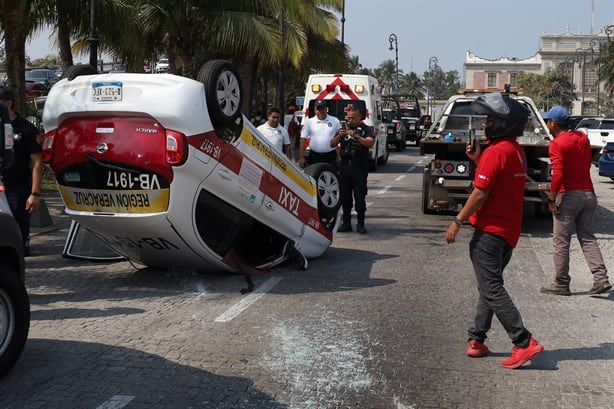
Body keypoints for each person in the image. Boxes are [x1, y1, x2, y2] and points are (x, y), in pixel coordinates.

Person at [445, 92, 543, 369]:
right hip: (508, 232)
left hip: (488, 233)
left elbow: (480, 193)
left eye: (489, 119)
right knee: (488, 287)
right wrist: (479, 160)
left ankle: (523, 341)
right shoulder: (516, 152)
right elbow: (499, 183)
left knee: (491, 287)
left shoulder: (496, 152)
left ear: (502, 124)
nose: (485, 124)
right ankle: (476, 340)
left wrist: (458, 220)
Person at [539, 106, 611, 296]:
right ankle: (601, 278)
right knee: (587, 237)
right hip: (588, 194)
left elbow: (559, 174)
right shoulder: (582, 138)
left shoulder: (557, 144)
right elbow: (585, 163)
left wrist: (552, 198)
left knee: (561, 241)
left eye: (548, 121)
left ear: (553, 123)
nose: (547, 123)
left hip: (569, 195)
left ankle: (561, 283)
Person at [0, 89, 43, 256]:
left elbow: (37, 162)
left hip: (17, 188)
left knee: (19, 240)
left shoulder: (26, 129)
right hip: (1, 185)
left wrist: (35, 193)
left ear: (8, 103)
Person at [329, 107, 374, 234]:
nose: (350, 120)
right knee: (345, 198)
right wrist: (340, 135)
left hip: (359, 168)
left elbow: (370, 143)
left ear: (360, 118)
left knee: (360, 198)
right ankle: (346, 223)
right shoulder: (343, 129)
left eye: (352, 118)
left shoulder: (366, 129)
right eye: (348, 118)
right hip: (345, 168)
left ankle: (360, 224)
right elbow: (332, 144)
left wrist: (356, 137)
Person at [298, 100, 341, 168]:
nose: (321, 111)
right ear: (315, 110)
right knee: (314, 176)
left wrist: (339, 154)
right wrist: (301, 157)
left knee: (330, 176)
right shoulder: (309, 122)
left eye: (322, 109)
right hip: (314, 156)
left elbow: (341, 137)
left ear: (326, 109)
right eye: (318, 109)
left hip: (331, 156)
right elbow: (302, 139)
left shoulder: (335, 120)